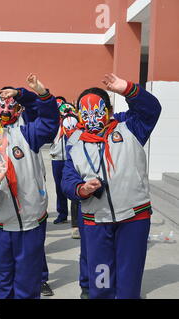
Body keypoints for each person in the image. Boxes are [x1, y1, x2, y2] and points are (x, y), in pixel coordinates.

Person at [61, 73, 162, 299]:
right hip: (96, 221)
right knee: (101, 280)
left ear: (106, 110)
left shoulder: (130, 127)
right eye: (85, 113)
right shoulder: (75, 141)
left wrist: (126, 89)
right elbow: (67, 178)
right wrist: (81, 188)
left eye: (97, 111)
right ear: (78, 115)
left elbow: (152, 109)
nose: (91, 118)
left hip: (134, 218)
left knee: (128, 282)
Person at [0, 73, 58, 299]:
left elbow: (49, 122)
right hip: (3, 226)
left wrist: (35, 93)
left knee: (28, 283)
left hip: (31, 221)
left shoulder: (26, 134)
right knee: (2, 281)